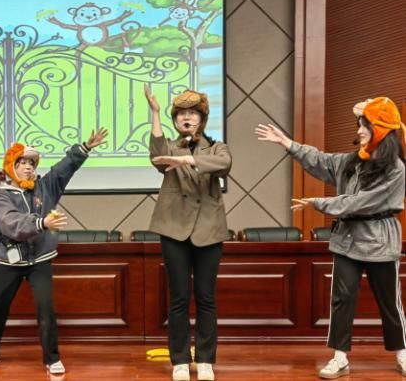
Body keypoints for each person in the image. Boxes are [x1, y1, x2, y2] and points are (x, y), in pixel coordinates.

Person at [255, 97, 406, 379]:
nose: (358, 130)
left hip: (380, 241)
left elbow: (362, 202)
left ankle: (402, 353)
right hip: (346, 240)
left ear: (381, 131)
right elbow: (320, 160)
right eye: (359, 124)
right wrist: (288, 143)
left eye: (364, 125)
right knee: (342, 299)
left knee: (389, 302)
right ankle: (340, 357)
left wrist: (319, 203)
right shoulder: (352, 161)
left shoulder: (395, 168)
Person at [0, 128, 108, 374]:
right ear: (11, 167)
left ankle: (52, 358)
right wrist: (42, 223)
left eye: (31, 164)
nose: (28, 167)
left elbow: (64, 169)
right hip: (10, 260)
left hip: (40, 259)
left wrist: (85, 148)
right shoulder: (2, 195)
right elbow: (10, 223)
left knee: (46, 309)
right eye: (22, 163)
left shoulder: (45, 187)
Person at [144, 85, 232, 381]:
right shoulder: (170, 146)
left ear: (202, 119)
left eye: (193, 113)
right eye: (181, 114)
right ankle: (180, 360)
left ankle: (205, 359)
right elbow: (157, 155)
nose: (186, 118)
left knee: (206, 297)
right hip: (174, 230)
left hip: (209, 230)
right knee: (179, 298)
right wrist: (155, 113)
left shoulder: (217, 147)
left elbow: (225, 164)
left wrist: (186, 161)